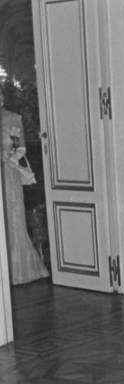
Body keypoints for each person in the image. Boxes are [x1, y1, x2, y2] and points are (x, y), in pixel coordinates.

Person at [0, 88, 49, 285]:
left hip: (8, 174)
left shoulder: (13, 118)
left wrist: (9, 158)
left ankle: (19, 270)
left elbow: (19, 147)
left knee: (12, 218)